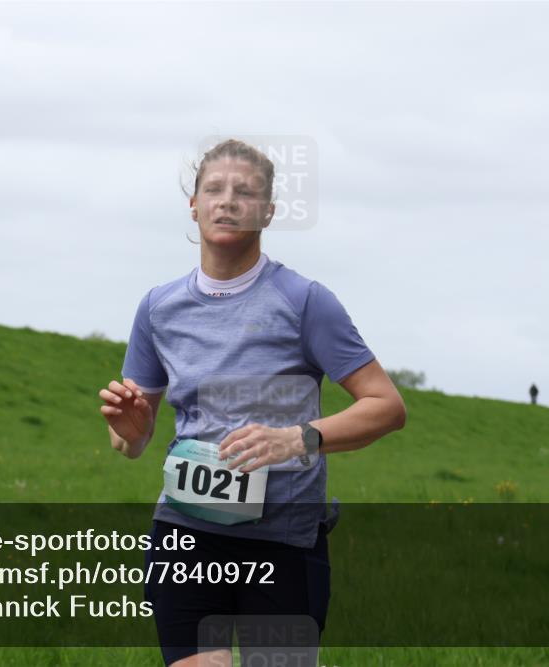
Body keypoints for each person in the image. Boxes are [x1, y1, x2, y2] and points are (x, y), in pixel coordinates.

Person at [100, 139, 407, 667]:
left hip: (284, 540)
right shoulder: (158, 308)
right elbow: (130, 444)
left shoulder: (304, 301)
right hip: (186, 532)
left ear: (268, 211)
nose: (227, 201)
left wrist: (298, 437)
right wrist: (131, 429)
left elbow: (386, 405)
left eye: (245, 192)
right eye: (213, 189)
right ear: (193, 205)